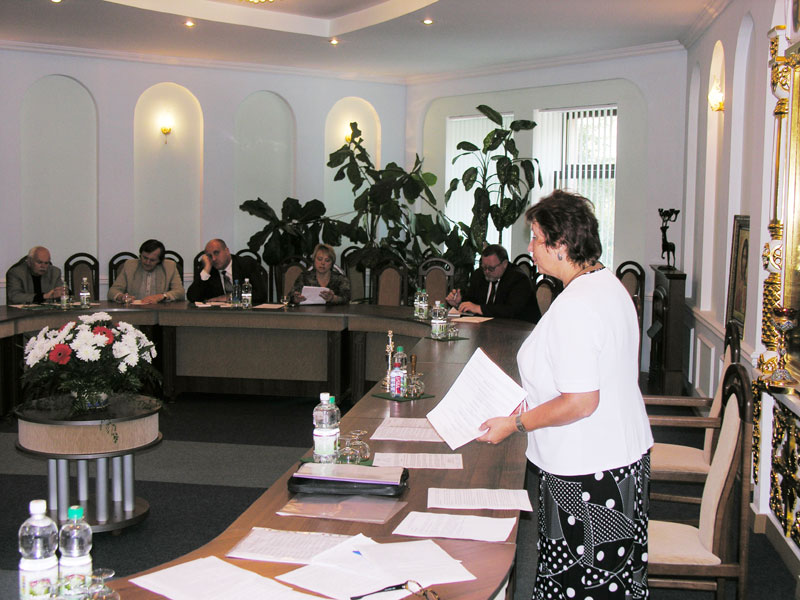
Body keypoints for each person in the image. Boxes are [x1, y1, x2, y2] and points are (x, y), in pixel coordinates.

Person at [477, 191, 653, 599]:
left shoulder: (578, 305)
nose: (530, 247)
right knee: (611, 583)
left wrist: (516, 424)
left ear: (561, 244)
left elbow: (580, 401)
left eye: (536, 238)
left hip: (588, 473)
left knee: (581, 584)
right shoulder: (607, 285)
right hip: (618, 460)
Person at [445, 244, 539, 322]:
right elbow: (472, 301)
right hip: (488, 328)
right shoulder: (479, 275)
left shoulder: (518, 279)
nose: (486, 271)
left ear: (504, 264)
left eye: (491, 268)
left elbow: (511, 310)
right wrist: (459, 302)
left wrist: (480, 308)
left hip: (521, 329)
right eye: (484, 267)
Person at [186, 238, 268, 304]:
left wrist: (229, 297)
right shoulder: (208, 269)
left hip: (245, 314)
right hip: (218, 316)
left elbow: (261, 295)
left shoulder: (246, 264)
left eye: (216, 253)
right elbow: (192, 297)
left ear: (227, 251)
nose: (213, 259)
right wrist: (206, 270)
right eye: (210, 256)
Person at [108, 239, 185, 303]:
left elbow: (180, 292)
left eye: (152, 260)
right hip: (134, 310)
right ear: (140, 255)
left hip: (160, 311)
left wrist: (162, 296)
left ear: (160, 260)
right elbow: (112, 291)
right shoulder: (130, 265)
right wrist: (122, 297)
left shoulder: (169, 266)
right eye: (145, 258)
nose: (147, 262)